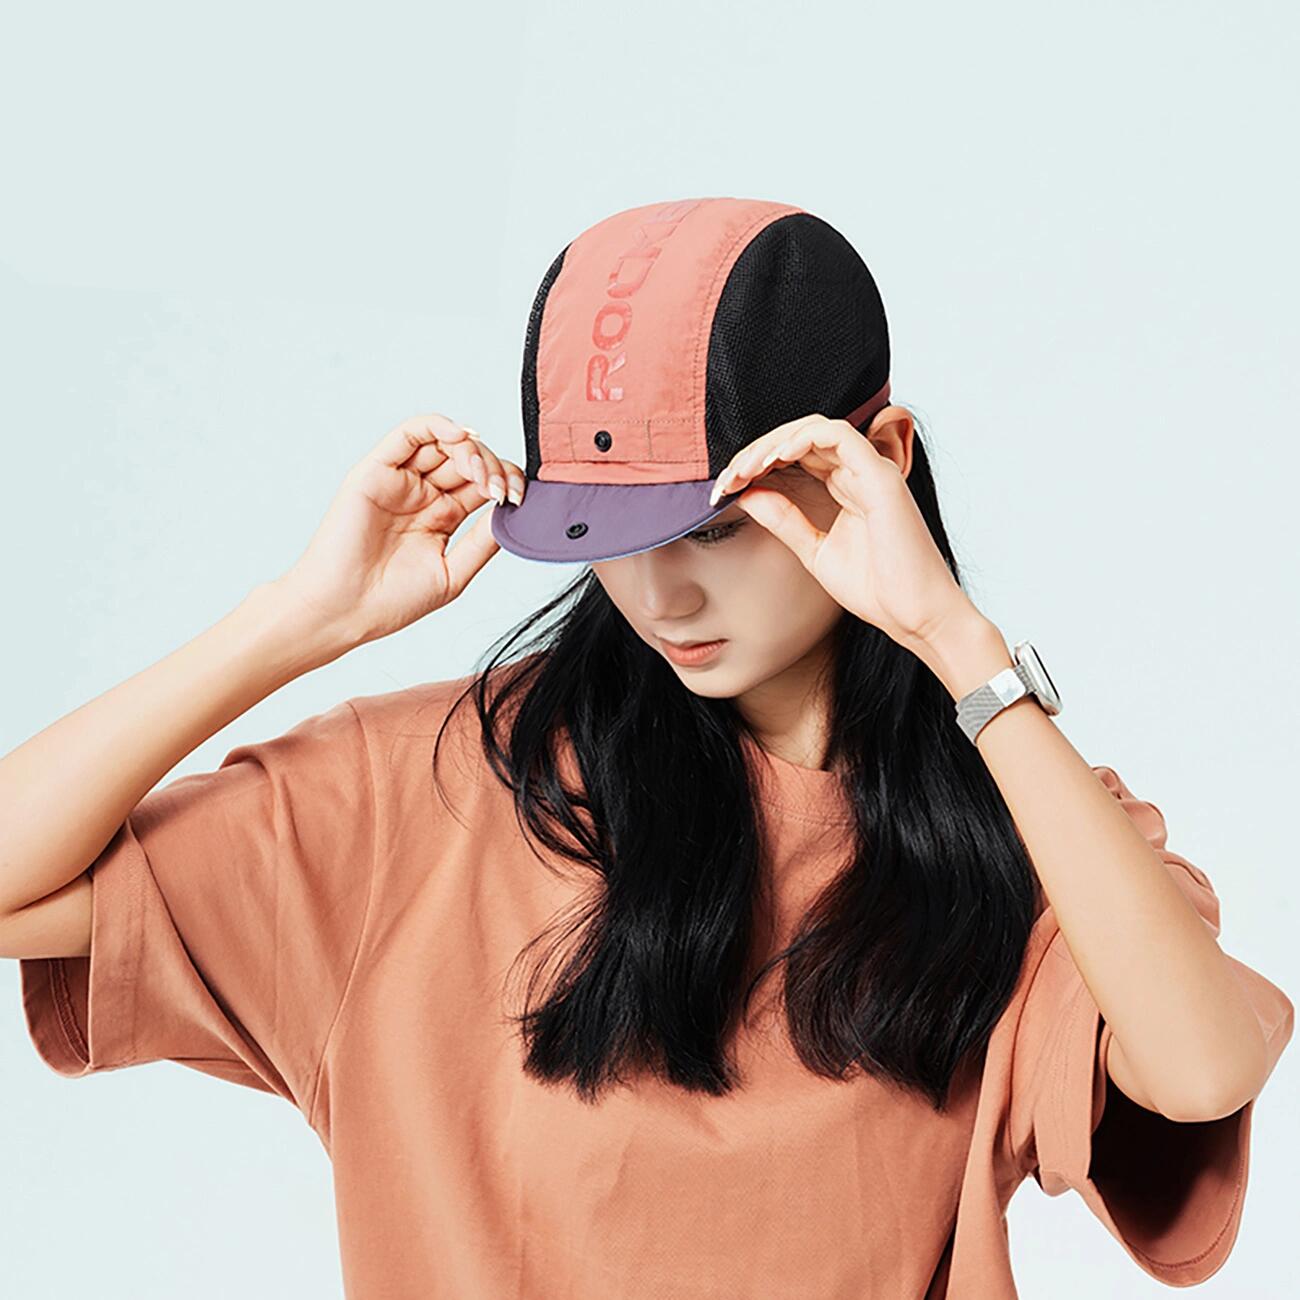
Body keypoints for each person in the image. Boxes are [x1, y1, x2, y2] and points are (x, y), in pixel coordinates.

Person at [1, 197, 1292, 1299]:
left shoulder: (1025, 834)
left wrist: (958, 643)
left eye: (716, 529)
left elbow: (1200, 1071)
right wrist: (294, 621)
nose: (663, 595)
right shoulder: (428, 790)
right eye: (609, 537)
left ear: (879, 463)